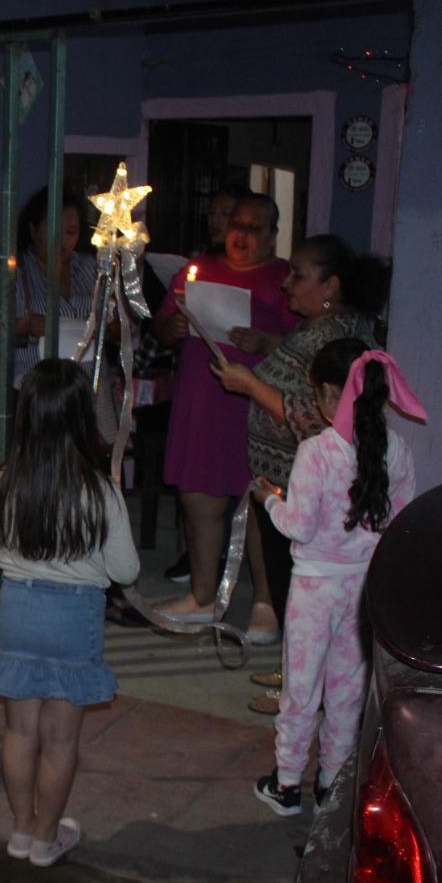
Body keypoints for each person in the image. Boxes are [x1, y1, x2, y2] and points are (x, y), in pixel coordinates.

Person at [0, 360, 141, 867]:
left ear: (26, 415)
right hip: (74, 620)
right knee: (61, 737)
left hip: (21, 611)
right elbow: (126, 570)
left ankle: (22, 830)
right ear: (82, 418)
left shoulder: (4, 481)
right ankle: (48, 837)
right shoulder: (99, 489)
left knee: (19, 731)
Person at [212, 235, 386, 714]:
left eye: (299, 274)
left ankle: (303, 695)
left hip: (301, 487)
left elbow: (316, 414)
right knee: (292, 592)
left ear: (330, 284)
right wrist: (269, 347)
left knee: (303, 594)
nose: (286, 283)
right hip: (285, 480)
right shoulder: (324, 326)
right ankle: (295, 676)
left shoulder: (339, 336)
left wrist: (250, 384)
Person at [251, 341, 425, 816]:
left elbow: (298, 525)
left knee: (301, 691)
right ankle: (331, 783)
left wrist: (269, 500)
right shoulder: (398, 451)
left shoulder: (317, 452)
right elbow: (399, 525)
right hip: (361, 590)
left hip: (314, 590)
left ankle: (286, 784)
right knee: (346, 691)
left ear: (331, 393)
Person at [150, 192, 297, 643]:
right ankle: (202, 595)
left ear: (273, 234)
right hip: (203, 402)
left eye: (255, 227)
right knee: (200, 500)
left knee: (257, 506)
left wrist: (266, 342)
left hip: (255, 405)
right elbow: (162, 326)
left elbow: (306, 346)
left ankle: (265, 605)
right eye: (237, 223)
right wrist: (170, 328)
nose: (243, 235)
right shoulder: (196, 270)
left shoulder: (285, 279)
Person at [0, 185, 98, 395]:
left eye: (71, 232)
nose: (62, 240)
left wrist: (109, 326)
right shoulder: (12, 272)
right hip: (35, 395)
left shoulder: (91, 268)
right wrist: (20, 328)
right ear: (33, 228)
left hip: (88, 394)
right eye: (53, 230)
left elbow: (125, 326)